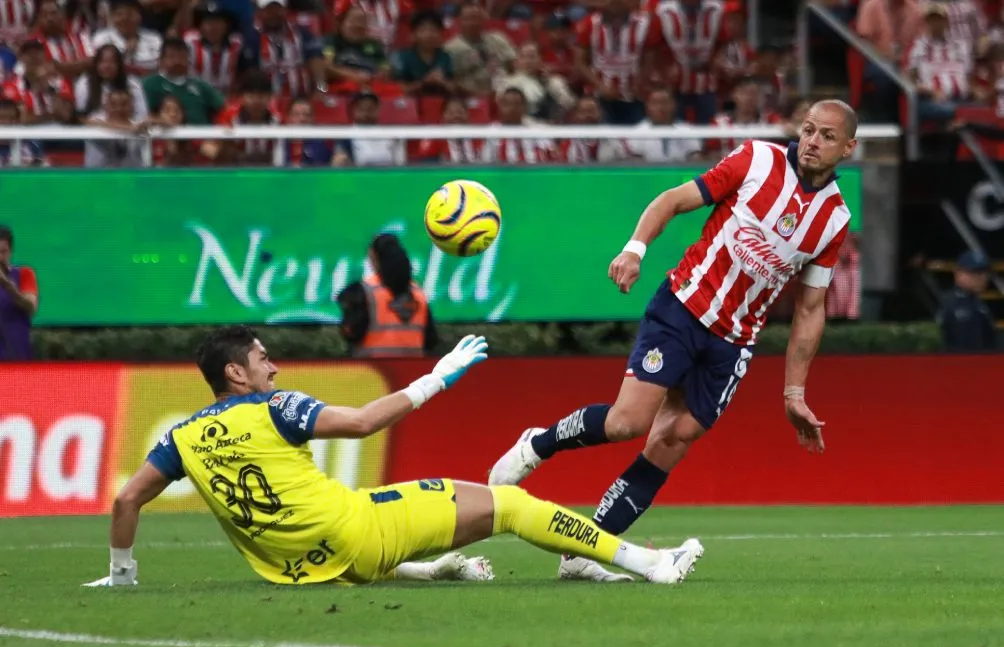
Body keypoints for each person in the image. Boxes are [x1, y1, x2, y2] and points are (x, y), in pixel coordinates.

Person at [490, 99, 858, 582]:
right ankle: (537, 443)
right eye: (808, 129)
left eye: (826, 136)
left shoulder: (834, 218)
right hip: (683, 308)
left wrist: (794, 392)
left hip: (733, 344)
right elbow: (671, 201)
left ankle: (583, 551)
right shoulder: (756, 160)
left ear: (848, 148)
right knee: (628, 422)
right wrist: (634, 250)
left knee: (674, 439)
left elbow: (811, 309)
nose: (812, 141)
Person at [84, 327, 704, 587]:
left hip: (302, 568)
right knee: (511, 503)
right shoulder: (271, 407)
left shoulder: (181, 438)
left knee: (402, 515)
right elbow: (358, 423)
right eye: (262, 358)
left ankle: (437, 569)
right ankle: (650, 563)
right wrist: (437, 377)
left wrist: (122, 573)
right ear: (235, 373)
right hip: (359, 534)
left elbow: (126, 498)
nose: (274, 365)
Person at [337, 233, 436, 357]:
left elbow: (351, 332)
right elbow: (430, 339)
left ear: (374, 258)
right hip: (413, 372)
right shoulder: (419, 293)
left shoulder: (364, 291)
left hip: (374, 371)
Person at [937, 249, 998, 352]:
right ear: (959, 273)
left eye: (985, 272)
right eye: (976, 272)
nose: (982, 278)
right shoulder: (953, 303)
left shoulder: (977, 302)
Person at [0, 225, 40, 361]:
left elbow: (31, 308)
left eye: (3, 252)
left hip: (18, 355)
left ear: (10, 252)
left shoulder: (25, 274)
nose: (0, 257)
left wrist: (8, 286)